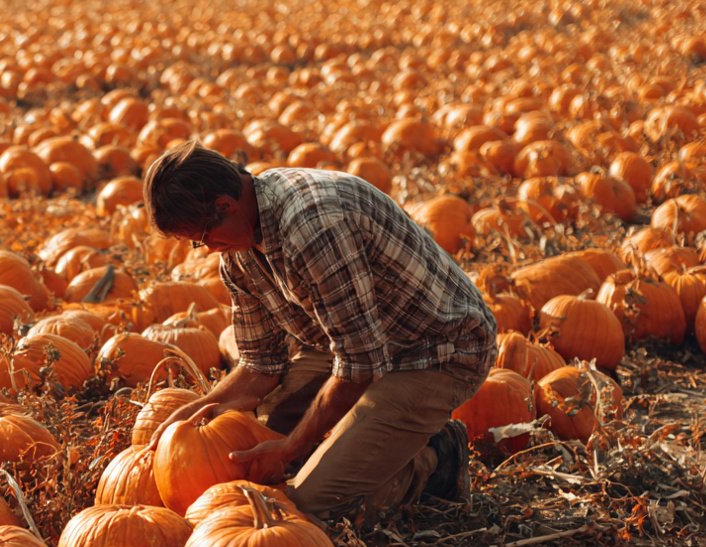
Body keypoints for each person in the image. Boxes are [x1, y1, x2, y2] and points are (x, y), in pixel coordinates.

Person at [143, 140, 497, 527]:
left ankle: (433, 459)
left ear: (225, 205)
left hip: (434, 350)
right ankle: (374, 441)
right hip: (347, 344)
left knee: (308, 508)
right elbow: (261, 364)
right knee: (262, 431)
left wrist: (293, 447)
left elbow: (360, 362)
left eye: (203, 236)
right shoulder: (239, 252)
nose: (207, 249)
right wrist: (194, 412)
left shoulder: (311, 226)